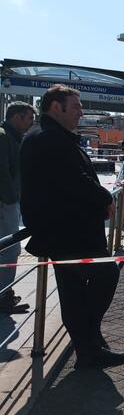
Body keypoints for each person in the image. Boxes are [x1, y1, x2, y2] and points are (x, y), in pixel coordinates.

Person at [20, 85, 124, 368]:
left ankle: (88, 347)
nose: (81, 113)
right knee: (105, 275)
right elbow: (74, 181)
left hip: (65, 231)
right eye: (76, 106)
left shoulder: (50, 136)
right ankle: (89, 340)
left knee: (74, 291)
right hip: (67, 233)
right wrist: (104, 198)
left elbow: (73, 179)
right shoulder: (47, 138)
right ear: (57, 107)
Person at [0, 102, 35, 312]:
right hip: (5, 204)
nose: (31, 124)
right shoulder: (4, 137)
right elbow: (2, 171)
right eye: (28, 118)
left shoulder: (11, 136)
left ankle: (5, 293)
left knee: (7, 249)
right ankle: (4, 297)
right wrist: (11, 198)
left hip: (8, 201)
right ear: (17, 117)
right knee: (10, 249)